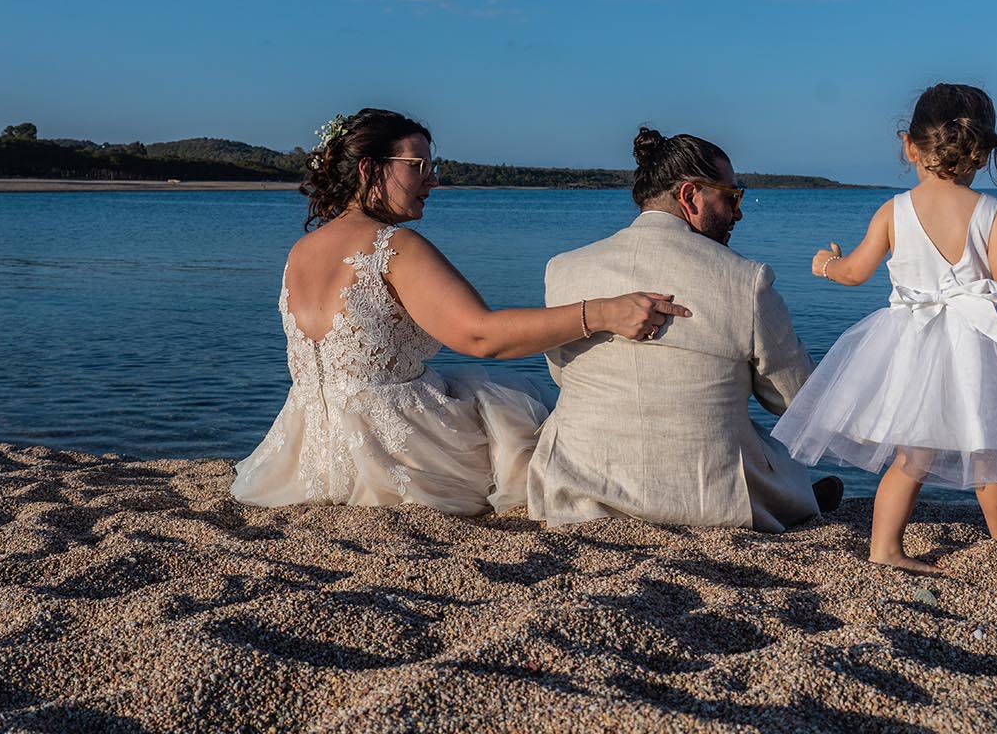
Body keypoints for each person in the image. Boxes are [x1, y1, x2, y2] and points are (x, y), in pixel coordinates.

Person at [232, 108, 686, 517]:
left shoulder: (301, 251)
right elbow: (481, 336)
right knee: (525, 419)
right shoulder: (393, 246)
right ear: (370, 169)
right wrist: (603, 313)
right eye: (418, 167)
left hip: (304, 452)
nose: (433, 181)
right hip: (395, 451)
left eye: (433, 167)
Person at [770, 83, 997, 573]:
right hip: (979, 345)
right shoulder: (990, 211)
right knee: (991, 446)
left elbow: (856, 273)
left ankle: (885, 548)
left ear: (909, 146)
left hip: (911, 344)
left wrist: (825, 265)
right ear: (982, 153)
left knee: (912, 455)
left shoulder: (893, 210)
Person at [529, 128, 841, 532]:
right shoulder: (746, 281)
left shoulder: (564, 269)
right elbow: (796, 400)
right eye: (732, 197)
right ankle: (798, 496)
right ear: (691, 196)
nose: (739, 213)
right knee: (770, 453)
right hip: (707, 500)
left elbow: (562, 375)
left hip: (579, 491)